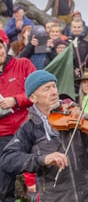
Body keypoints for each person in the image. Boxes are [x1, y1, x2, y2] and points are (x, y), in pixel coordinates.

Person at [0, 70, 88, 201]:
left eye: (54, 86)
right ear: (33, 98)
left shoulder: (73, 115)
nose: (53, 92)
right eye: (46, 88)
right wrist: (43, 159)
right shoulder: (29, 128)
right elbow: (8, 158)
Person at [0, 36, 36, 202]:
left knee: (37, 183)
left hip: (27, 131)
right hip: (2, 135)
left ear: (5, 47)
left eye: (0, 46)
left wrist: (15, 100)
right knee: (3, 187)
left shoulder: (23, 64)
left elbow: (38, 90)